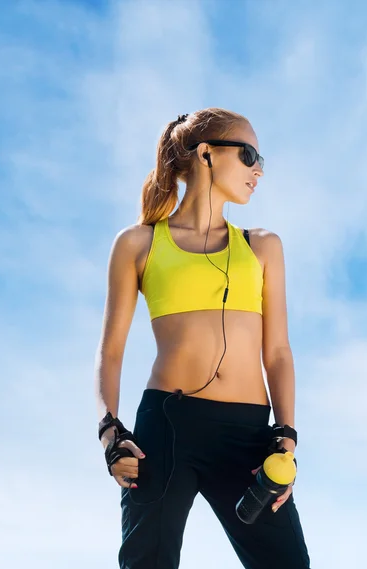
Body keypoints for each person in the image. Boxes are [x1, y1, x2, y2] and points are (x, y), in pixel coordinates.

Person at [94, 108, 311, 569]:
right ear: (207, 154)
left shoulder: (262, 246)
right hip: (166, 428)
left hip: (250, 434)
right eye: (249, 154)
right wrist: (110, 432)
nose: (259, 169)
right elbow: (110, 351)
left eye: (262, 160)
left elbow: (277, 352)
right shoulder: (138, 244)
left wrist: (287, 439)